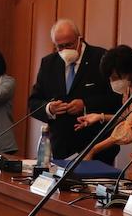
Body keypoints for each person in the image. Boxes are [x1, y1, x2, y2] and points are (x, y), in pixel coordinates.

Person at [75, 45, 132, 189]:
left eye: (114, 77)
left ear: (129, 72)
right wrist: (99, 116)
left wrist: (94, 149)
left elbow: (128, 128)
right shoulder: (130, 84)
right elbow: (126, 116)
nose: (112, 82)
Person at [27, 19, 119, 164]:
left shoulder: (101, 57)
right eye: (60, 47)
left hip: (96, 146)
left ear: (79, 39)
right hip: (60, 147)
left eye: (69, 45)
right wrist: (49, 108)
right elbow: (33, 103)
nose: (65, 50)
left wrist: (85, 105)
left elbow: (116, 99)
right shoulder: (49, 63)